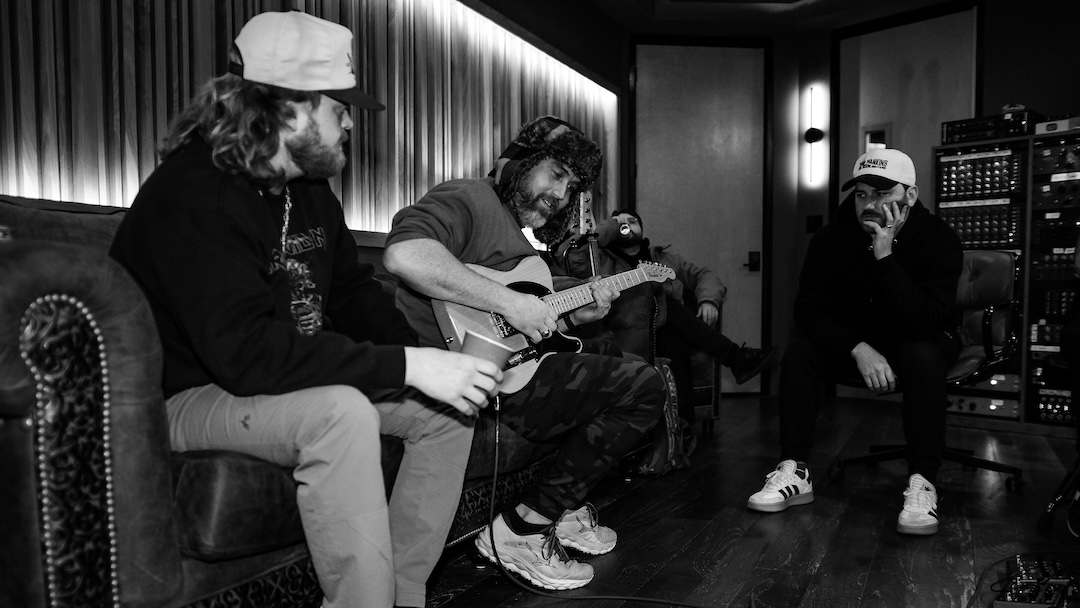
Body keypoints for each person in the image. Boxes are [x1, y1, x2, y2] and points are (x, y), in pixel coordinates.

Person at [109, 11, 501, 608]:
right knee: (341, 414)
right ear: (288, 108)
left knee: (446, 414)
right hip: (188, 395)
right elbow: (245, 356)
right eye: (338, 107)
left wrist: (429, 364)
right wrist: (409, 368)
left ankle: (400, 595)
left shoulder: (308, 190)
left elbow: (351, 292)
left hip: (277, 378)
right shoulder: (195, 194)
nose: (350, 123)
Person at [383, 116, 667, 591]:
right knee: (643, 386)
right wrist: (511, 303)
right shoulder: (468, 196)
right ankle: (524, 529)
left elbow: (518, 329)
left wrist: (571, 318)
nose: (561, 195)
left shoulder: (518, 237)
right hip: (461, 372)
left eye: (570, 187)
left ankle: (562, 509)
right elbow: (405, 255)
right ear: (519, 161)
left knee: (625, 363)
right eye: (556, 174)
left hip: (508, 368)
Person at [746, 148, 963, 536]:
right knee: (801, 351)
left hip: (919, 338)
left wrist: (885, 256)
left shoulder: (939, 239)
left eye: (882, 194)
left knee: (923, 354)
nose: (869, 205)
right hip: (860, 342)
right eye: (862, 194)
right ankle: (795, 470)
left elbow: (924, 321)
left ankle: (923, 481)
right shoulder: (831, 238)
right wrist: (857, 348)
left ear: (911, 195)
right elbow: (808, 311)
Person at [557, 209, 778, 420]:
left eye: (632, 221)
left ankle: (682, 426)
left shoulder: (664, 258)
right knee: (665, 305)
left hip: (666, 328)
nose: (626, 225)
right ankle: (735, 358)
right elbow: (573, 253)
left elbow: (705, 275)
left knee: (674, 333)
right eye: (620, 222)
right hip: (627, 332)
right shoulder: (602, 258)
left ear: (642, 229)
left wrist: (708, 300)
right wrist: (612, 226)